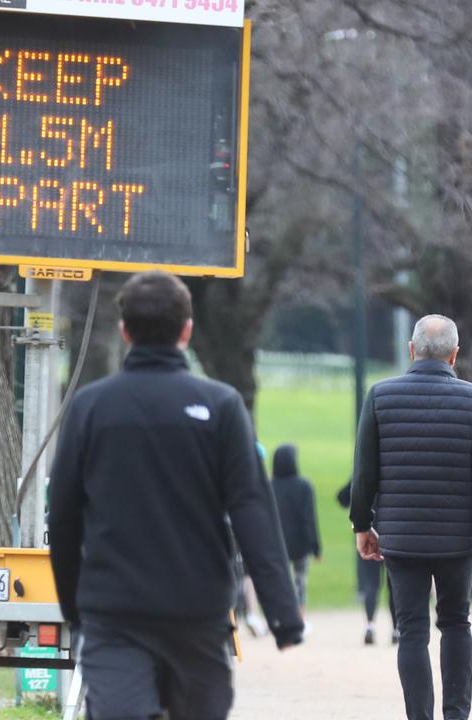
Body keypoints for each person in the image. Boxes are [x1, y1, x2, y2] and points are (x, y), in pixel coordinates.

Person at [48, 271, 303, 720]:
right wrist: (283, 614)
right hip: (197, 611)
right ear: (187, 330)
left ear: (125, 331)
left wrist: (74, 604)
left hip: (113, 609)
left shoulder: (90, 407)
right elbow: (251, 509)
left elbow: (64, 516)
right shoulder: (223, 406)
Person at [349, 314, 472, 720]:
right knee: (456, 623)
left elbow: (365, 471)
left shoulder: (380, 396)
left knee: (412, 631)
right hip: (457, 539)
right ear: (455, 354)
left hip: (401, 538)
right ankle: (456, 714)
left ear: (411, 349)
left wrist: (363, 525)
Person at [337, 482, 399, 645]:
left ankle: (370, 625)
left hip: (368, 531)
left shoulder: (364, 473)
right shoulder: (391, 470)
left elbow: (342, 498)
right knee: (393, 584)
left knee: (371, 584)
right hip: (391, 531)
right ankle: (395, 629)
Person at [272, 443, 322, 618]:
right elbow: (310, 519)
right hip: (300, 544)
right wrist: (316, 547)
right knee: (300, 581)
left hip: (277, 542)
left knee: (281, 581)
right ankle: (300, 616)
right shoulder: (304, 486)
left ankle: (282, 615)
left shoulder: (270, 486)